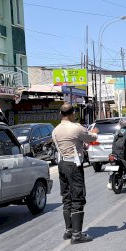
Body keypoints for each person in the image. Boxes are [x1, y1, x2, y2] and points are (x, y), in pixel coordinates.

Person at [52, 102, 99, 243]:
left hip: (61, 164)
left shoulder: (55, 130)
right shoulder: (76, 128)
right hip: (73, 164)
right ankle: (77, 235)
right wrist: (94, 134)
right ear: (73, 114)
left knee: (66, 197)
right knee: (78, 196)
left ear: (61, 114)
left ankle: (69, 230)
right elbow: (91, 138)